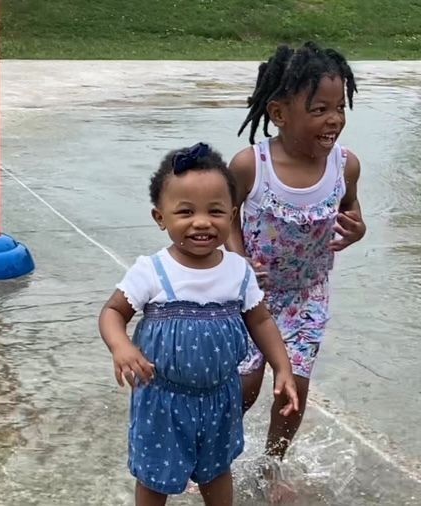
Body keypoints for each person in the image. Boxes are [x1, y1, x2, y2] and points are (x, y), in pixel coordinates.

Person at [98, 143, 299, 506]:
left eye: (216, 211)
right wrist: (122, 347)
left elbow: (261, 319)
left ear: (232, 213)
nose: (202, 221)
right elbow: (112, 313)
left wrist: (282, 366)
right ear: (161, 217)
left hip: (221, 397)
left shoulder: (238, 271)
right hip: (163, 399)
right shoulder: (152, 271)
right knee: (154, 478)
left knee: (217, 471)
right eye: (186, 212)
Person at [226, 41, 366, 462]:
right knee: (245, 385)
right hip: (254, 296)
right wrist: (237, 257)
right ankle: (215, 454)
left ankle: (273, 463)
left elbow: (350, 207)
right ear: (279, 113)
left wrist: (358, 228)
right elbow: (227, 213)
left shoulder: (346, 165)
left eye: (339, 108)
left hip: (309, 294)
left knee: (295, 391)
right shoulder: (252, 165)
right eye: (319, 109)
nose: (334, 119)